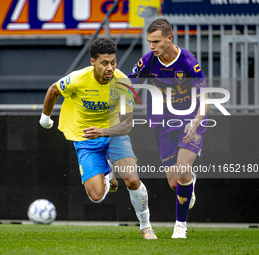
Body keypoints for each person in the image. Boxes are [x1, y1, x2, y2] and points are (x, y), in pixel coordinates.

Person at [39, 37, 157, 239]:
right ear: (93, 61)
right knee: (96, 197)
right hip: (85, 139)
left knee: (132, 180)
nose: (110, 67)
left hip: (113, 135)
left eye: (113, 62)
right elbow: (53, 90)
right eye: (104, 63)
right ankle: (109, 173)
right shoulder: (77, 80)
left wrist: (103, 132)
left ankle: (146, 227)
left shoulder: (122, 84)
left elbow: (126, 125)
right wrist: (45, 118)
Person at [128, 18, 210, 238]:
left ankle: (180, 226)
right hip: (163, 122)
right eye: (149, 42)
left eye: (156, 41)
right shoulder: (148, 61)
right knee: (175, 183)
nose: (152, 46)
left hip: (190, 118)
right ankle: (189, 181)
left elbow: (206, 99)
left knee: (182, 169)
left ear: (169, 38)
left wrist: (196, 121)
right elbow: (128, 84)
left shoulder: (188, 62)